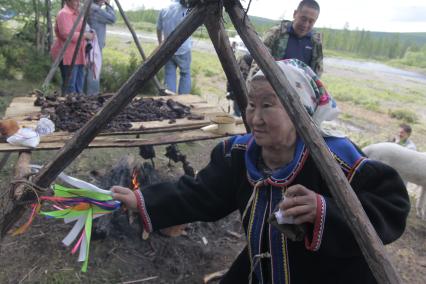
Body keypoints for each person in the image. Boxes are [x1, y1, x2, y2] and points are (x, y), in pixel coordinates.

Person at [111, 59, 410, 283]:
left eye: (268, 105)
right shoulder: (239, 153)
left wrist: (324, 210)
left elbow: (391, 203)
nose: (255, 117)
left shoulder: (335, 158)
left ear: (299, 111)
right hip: (266, 267)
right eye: (251, 104)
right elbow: (200, 193)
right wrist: (144, 200)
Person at [51, 0, 94, 94]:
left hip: (79, 54)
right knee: (70, 87)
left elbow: (83, 28)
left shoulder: (77, 14)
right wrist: (85, 35)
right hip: (68, 55)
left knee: (79, 87)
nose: (78, 2)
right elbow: (67, 34)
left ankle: (78, 106)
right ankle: (67, 107)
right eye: (75, 0)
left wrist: (90, 33)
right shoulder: (64, 14)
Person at [157, 0, 192, 94]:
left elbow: (158, 28)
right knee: (185, 74)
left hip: (168, 49)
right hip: (184, 49)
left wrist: (160, 44)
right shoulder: (186, 8)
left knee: (169, 74)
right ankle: (183, 99)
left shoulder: (164, 9)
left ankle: (169, 99)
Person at [85, 0, 116, 95]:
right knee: (94, 71)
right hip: (94, 45)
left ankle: (85, 95)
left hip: (89, 43)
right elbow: (112, 19)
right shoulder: (95, 9)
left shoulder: (88, 6)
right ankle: (92, 96)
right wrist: (108, 5)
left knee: (88, 70)